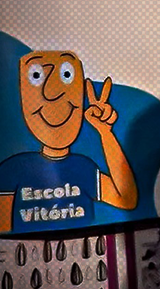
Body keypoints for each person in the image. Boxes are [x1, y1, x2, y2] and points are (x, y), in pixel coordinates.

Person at [0, 50, 137, 233]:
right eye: (36, 76)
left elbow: (126, 199)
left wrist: (106, 133)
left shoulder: (84, 167)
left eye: (66, 74)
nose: (52, 93)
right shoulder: (13, 169)